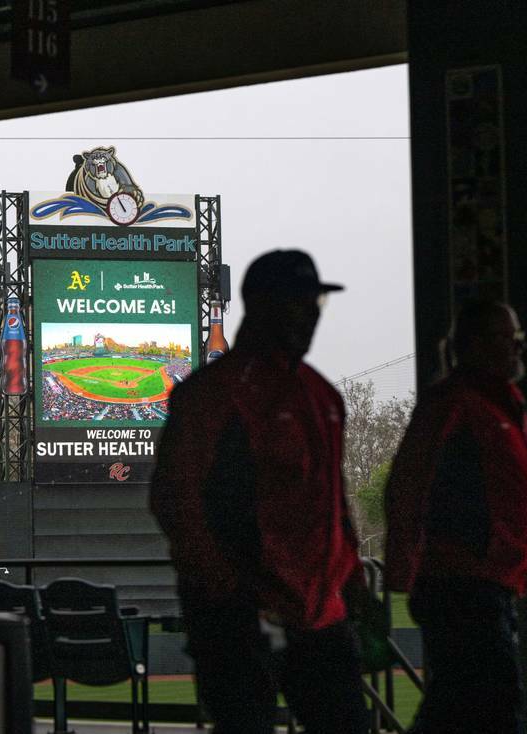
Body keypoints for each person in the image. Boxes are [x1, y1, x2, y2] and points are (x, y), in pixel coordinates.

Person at [150, 249, 370, 734]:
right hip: (238, 618)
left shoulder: (323, 396)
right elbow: (174, 499)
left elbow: (333, 501)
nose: (313, 313)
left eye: (317, 302)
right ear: (263, 305)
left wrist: (350, 574)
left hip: (319, 612)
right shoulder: (213, 394)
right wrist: (227, 590)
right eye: (301, 301)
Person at [383, 299, 527, 734]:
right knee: (493, 705)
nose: (518, 348)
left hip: (486, 585)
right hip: (461, 585)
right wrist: (401, 566)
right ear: (475, 344)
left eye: (518, 340)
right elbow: (407, 484)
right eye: (509, 339)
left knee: (458, 708)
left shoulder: (504, 407)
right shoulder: (455, 404)